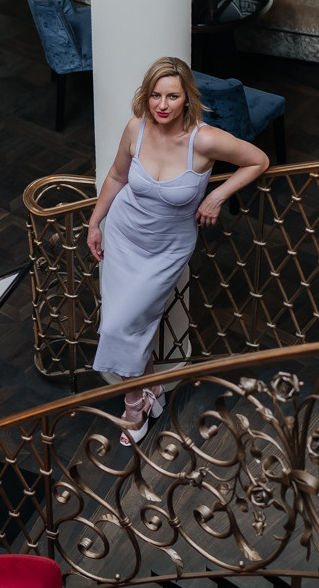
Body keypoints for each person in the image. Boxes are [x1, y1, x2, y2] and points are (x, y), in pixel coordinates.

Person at [87, 56, 269, 446]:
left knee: (121, 327)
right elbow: (118, 176)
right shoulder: (136, 128)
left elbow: (259, 160)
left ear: (187, 97)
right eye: (155, 95)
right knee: (130, 326)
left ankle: (133, 408)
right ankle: (146, 396)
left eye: (172, 95)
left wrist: (216, 195)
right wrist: (94, 223)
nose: (162, 105)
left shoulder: (204, 140)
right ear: (146, 96)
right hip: (124, 235)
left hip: (166, 249)